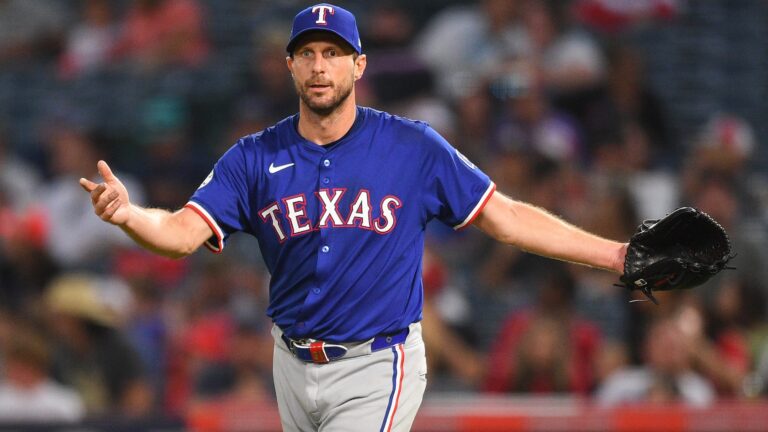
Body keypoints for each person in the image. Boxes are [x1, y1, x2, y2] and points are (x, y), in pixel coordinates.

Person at [80, 4, 627, 431]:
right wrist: (129, 216)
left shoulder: (412, 147)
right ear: (290, 64)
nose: (320, 66)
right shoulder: (252, 157)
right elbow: (179, 235)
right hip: (290, 362)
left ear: (359, 65)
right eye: (309, 53)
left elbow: (504, 217)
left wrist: (617, 254)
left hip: (376, 360)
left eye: (334, 53)